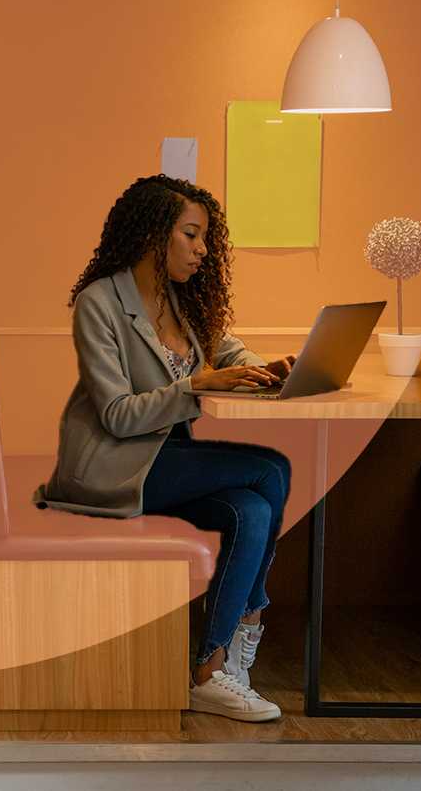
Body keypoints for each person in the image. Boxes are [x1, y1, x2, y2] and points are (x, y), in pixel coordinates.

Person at [35, 174, 295, 723]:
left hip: (167, 462)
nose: (202, 250)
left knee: (251, 507)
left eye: (205, 239)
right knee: (270, 469)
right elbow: (117, 415)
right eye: (191, 235)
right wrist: (196, 386)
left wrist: (267, 368)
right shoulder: (99, 303)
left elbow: (228, 352)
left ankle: (210, 667)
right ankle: (245, 629)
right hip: (114, 465)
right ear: (155, 234)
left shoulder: (182, 301)